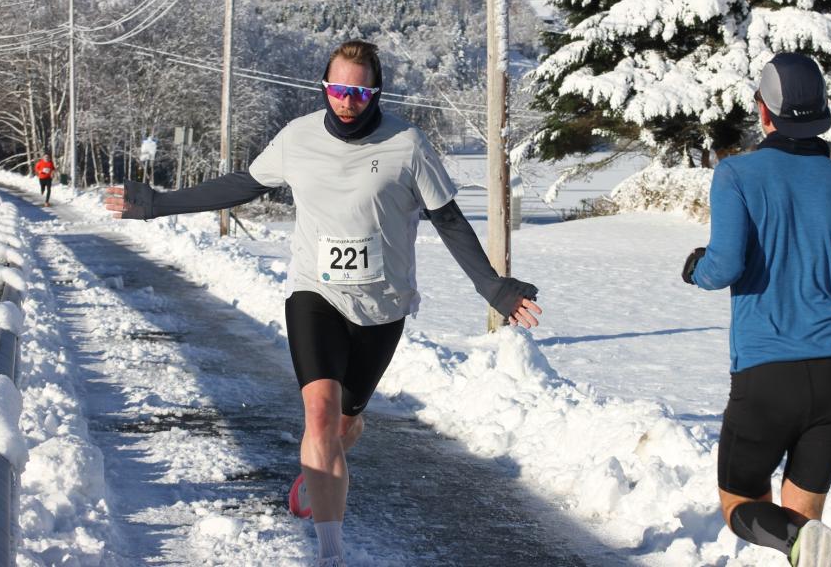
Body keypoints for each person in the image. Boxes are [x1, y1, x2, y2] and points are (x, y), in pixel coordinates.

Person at [103, 40, 542, 567]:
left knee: (342, 425)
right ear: (324, 87)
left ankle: (320, 467)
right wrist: (156, 204)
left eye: (358, 91)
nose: (347, 101)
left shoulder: (407, 143)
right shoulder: (298, 138)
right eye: (337, 89)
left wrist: (492, 287)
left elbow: (447, 219)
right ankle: (330, 553)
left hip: (382, 304)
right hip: (316, 291)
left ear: (374, 91)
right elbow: (243, 184)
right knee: (319, 415)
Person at [681, 53, 831, 567]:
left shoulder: (738, 175)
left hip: (768, 376)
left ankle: (795, 542)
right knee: (806, 525)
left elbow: (724, 266)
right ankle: (802, 545)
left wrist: (695, 267)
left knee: (742, 503)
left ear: (764, 113)